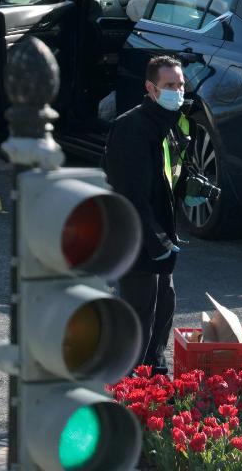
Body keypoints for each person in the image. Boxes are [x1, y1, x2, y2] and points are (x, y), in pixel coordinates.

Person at [103, 55, 207, 374]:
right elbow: (130, 194)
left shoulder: (173, 124)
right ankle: (133, 386)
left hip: (159, 236)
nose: (177, 91)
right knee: (140, 316)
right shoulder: (131, 129)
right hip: (136, 237)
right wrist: (157, 240)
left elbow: (168, 173)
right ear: (151, 88)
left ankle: (155, 376)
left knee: (163, 308)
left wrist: (189, 184)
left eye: (180, 84)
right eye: (169, 85)